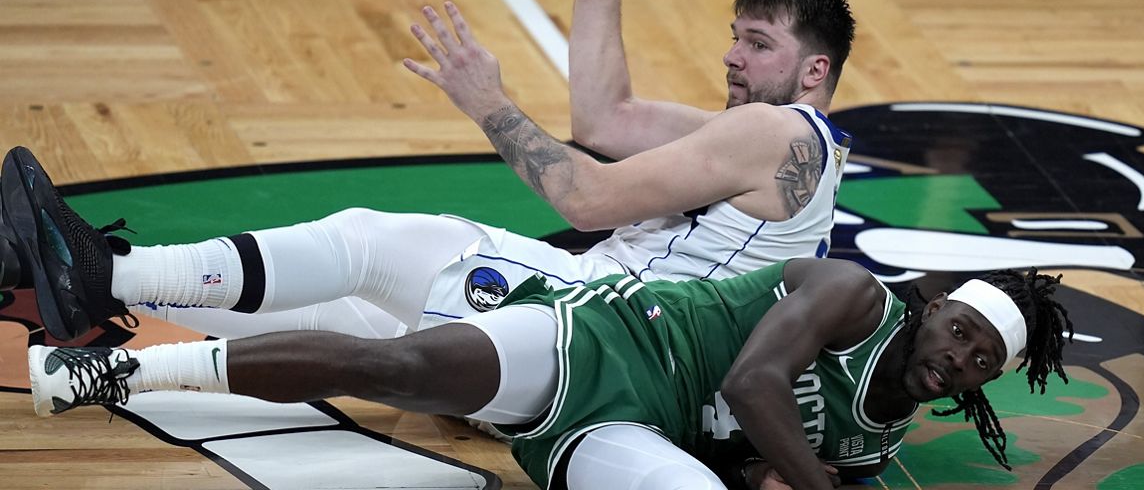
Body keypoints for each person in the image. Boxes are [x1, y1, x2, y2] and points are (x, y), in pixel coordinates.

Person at [0, 0, 856, 345]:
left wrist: (485, 100)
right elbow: (605, 116)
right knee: (344, 317)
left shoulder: (780, 136)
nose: (732, 59)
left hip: (614, 322)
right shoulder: (772, 146)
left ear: (815, 71)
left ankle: (101, 274)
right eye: (733, 38)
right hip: (622, 326)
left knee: (377, 242)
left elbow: (588, 201)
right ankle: (86, 300)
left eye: (757, 44)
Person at [27, 258, 1073, 490]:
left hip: (632, 435)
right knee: (386, 366)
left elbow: (769, 466)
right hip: (608, 339)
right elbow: (758, 386)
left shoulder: (879, 439)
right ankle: (120, 370)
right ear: (934, 306)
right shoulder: (855, 298)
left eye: (980, 361)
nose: (957, 358)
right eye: (959, 332)